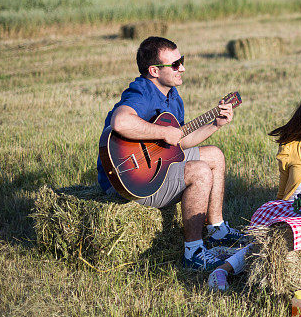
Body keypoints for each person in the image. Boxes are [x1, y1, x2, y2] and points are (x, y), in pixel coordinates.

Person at [96, 36, 245, 271]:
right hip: (131, 179)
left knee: (215, 155)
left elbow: (179, 142)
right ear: (154, 70)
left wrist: (215, 124)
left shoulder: (173, 96)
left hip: (156, 167)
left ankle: (217, 230)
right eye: (175, 64)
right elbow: (121, 122)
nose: (182, 68)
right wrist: (163, 133)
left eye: (181, 61)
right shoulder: (142, 92)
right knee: (199, 171)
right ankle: (194, 253)